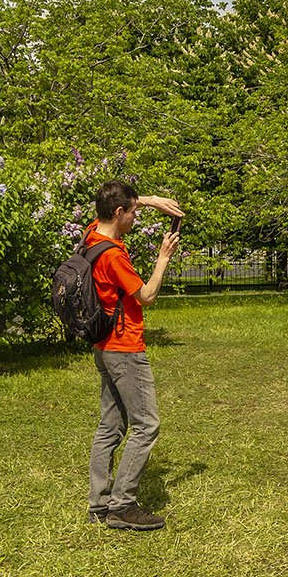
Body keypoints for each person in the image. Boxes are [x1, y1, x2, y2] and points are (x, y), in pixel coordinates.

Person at [85, 181, 182, 531]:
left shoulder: (91, 236)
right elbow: (146, 295)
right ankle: (122, 504)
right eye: (132, 212)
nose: (135, 217)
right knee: (146, 425)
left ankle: (99, 502)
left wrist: (152, 200)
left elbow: (117, 205)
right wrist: (163, 258)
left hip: (103, 347)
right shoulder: (113, 254)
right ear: (118, 213)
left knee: (110, 426)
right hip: (125, 349)